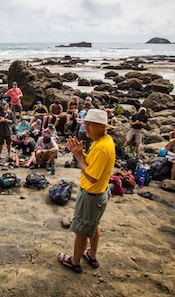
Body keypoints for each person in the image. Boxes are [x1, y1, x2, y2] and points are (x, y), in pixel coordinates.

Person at [58, 109, 115, 273]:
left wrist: (77, 157)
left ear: (103, 127)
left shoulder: (101, 147)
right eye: (86, 124)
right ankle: (91, 254)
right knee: (93, 224)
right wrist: (81, 153)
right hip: (101, 193)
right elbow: (93, 162)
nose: (87, 128)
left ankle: (75, 261)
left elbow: (91, 177)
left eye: (91, 125)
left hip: (91, 195)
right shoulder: (105, 140)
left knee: (82, 230)